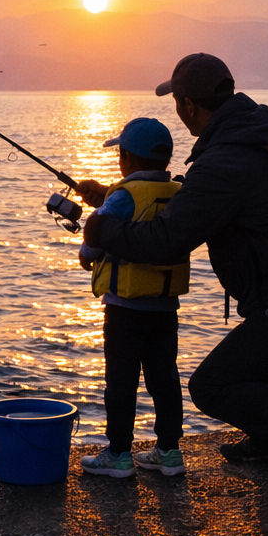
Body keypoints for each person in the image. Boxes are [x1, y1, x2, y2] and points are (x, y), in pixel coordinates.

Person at [77, 54, 268, 487]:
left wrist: (102, 228)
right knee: (255, 377)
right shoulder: (259, 137)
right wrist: (109, 196)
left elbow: (164, 241)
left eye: (177, 100)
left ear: (189, 106)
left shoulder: (224, 162)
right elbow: (186, 208)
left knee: (213, 387)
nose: (177, 109)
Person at [77, 117, 187, 480]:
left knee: (121, 382)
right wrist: (105, 193)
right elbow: (144, 202)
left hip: (124, 309)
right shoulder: (179, 193)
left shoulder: (122, 196)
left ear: (126, 157)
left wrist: (85, 250)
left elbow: (91, 248)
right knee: (165, 379)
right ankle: (169, 452)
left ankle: (119, 455)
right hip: (165, 307)